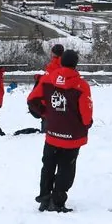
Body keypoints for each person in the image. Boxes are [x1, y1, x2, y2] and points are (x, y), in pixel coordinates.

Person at [27, 49, 94, 213]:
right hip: (72, 136)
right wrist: (86, 124)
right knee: (66, 169)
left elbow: (32, 100)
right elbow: (86, 112)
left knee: (48, 166)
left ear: (61, 61)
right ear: (76, 64)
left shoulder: (47, 79)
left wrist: (45, 114)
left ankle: (44, 198)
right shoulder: (81, 85)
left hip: (52, 134)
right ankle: (57, 201)